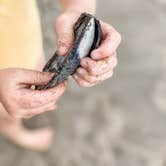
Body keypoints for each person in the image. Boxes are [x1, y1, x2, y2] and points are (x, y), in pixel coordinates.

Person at [0, 0, 121, 151]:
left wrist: (77, 10)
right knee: (4, 109)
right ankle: (12, 130)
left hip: (20, 32)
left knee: (33, 69)